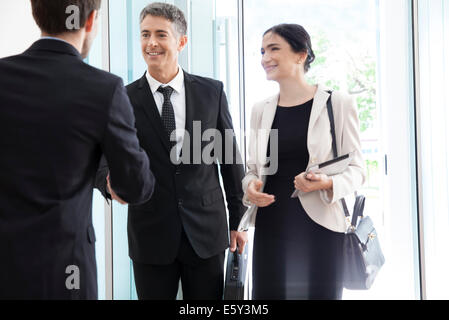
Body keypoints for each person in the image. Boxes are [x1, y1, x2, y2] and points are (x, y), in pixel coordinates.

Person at [0, 0, 155, 300]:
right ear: (91, 21)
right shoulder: (103, 88)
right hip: (66, 272)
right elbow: (136, 186)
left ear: (37, 15)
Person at [95, 2, 247, 300]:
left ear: (181, 41)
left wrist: (238, 222)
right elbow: (100, 161)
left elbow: (230, 160)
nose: (151, 43)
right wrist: (108, 183)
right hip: (150, 234)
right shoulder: (121, 98)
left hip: (207, 232)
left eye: (161, 34)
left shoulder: (211, 92)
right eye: (145, 34)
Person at [242, 24, 366, 300]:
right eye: (262, 51)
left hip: (321, 227)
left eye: (274, 49)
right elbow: (251, 169)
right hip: (271, 227)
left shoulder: (338, 104)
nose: (265, 58)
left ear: (301, 55)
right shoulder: (260, 110)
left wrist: (328, 183)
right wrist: (250, 187)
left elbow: (358, 169)